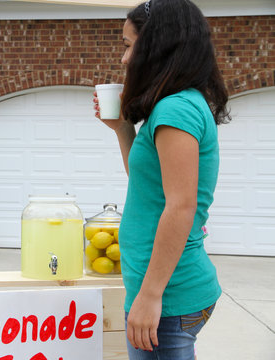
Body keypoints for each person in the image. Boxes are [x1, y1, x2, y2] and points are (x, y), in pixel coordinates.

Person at [93, 0, 230, 358]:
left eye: (128, 45)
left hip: (169, 296)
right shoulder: (170, 107)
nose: (124, 59)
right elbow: (146, 186)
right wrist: (122, 128)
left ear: (157, 45)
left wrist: (151, 296)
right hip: (159, 290)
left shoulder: (175, 109)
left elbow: (181, 207)